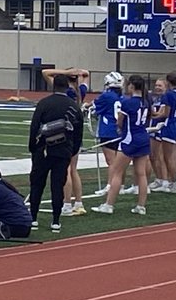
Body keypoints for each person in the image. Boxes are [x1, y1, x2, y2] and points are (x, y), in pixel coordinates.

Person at [27, 73, 82, 232]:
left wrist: (33, 147)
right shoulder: (73, 106)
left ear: (53, 86)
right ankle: (56, 220)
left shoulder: (44, 103)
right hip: (63, 151)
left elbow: (34, 126)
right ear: (67, 87)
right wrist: (73, 150)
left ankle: (34, 218)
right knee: (58, 185)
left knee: (37, 184)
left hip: (42, 150)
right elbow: (78, 132)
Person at [92, 74, 152, 216]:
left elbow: (119, 122)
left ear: (131, 86)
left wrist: (121, 129)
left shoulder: (128, 102)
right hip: (143, 137)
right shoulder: (146, 102)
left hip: (129, 139)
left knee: (117, 172)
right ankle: (141, 206)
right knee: (141, 174)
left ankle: (109, 204)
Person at [92, 72, 132, 197]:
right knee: (119, 161)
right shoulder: (124, 98)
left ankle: (111, 185)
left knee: (112, 162)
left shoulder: (106, 96)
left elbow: (94, 108)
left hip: (108, 131)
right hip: (121, 131)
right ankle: (120, 185)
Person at [152, 70, 176, 194]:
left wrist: (153, 116)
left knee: (169, 157)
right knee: (173, 155)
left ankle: (173, 183)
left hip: (170, 125)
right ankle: (172, 181)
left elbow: (166, 113)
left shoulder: (168, 95)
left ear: (168, 82)